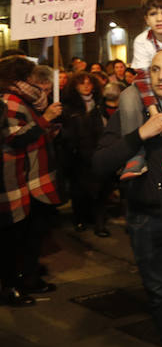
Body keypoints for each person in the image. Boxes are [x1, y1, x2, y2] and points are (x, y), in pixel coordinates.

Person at [92, 48, 162, 347]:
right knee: (160, 291)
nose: (161, 76)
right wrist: (141, 134)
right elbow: (100, 163)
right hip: (145, 217)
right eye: (156, 69)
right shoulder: (133, 110)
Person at [0, 56, 64, 306]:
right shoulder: (9, 101)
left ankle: (28, 277)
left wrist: (46, 126)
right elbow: (15, 138)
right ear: (20, 79)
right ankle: (10, 286)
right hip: (15, 180)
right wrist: (45, 118)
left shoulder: (23, 100)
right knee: (13, 238)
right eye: (31, 77)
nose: (36, 83)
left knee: (32, 234)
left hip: (33, 178)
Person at [58, 72, 108, 236]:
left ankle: (100, 223)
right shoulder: (68, 107)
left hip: (98, 153)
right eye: (82, 83)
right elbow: (66, 133)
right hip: (78, 156)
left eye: (89, 83)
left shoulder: (100, 105)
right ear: (75, 86)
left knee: (101, 189)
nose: (86, 86)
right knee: (79, 191)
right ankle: (79, 218)